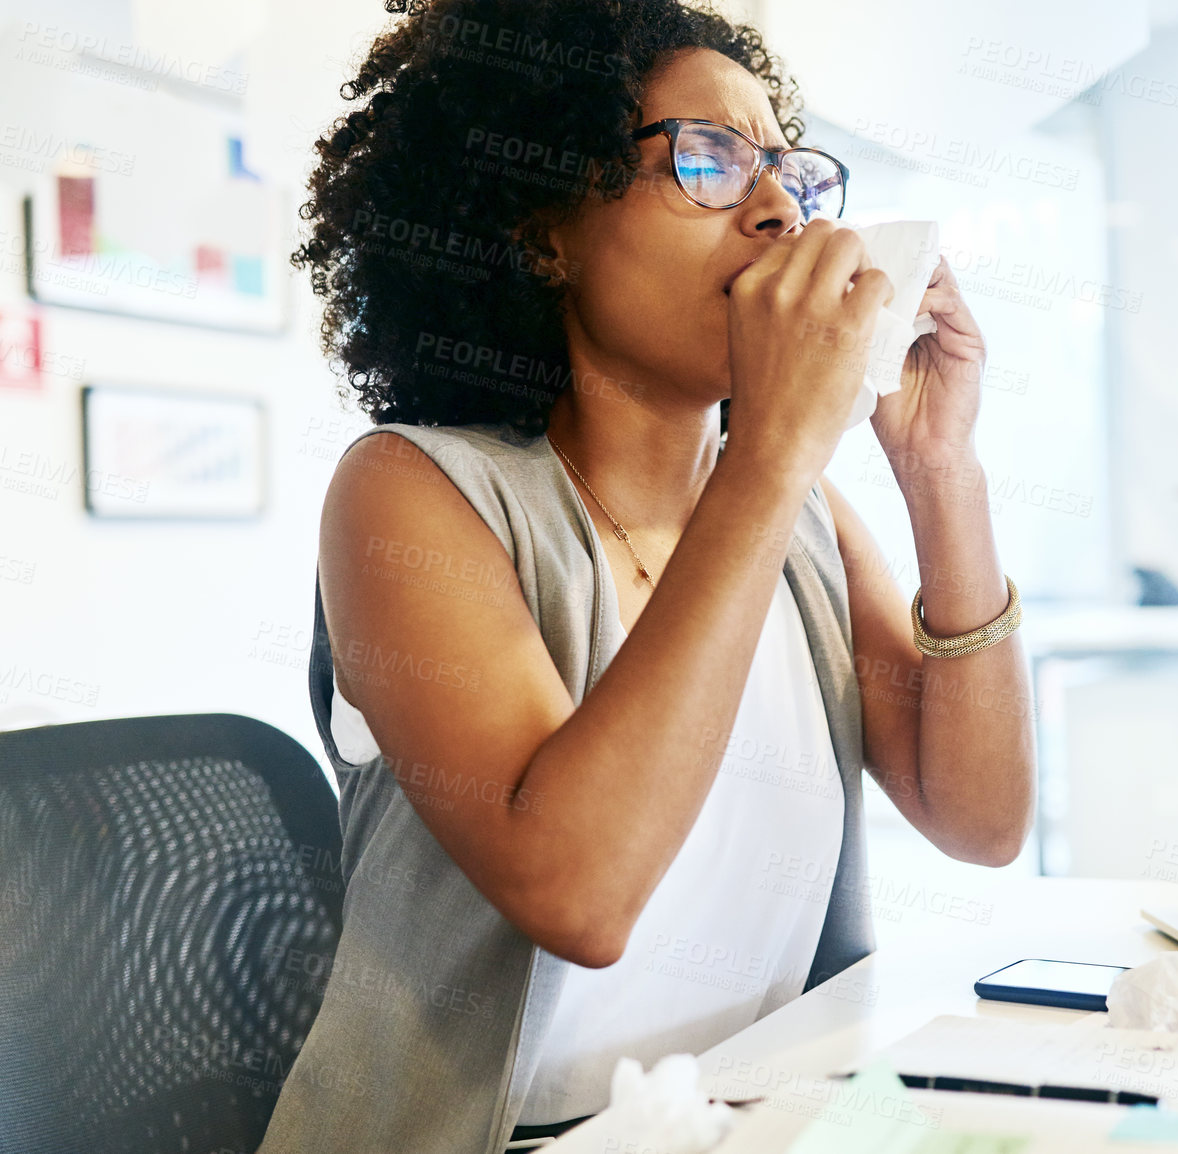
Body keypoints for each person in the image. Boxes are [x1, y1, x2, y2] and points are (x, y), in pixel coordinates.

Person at [262, 1, 1035, 1149]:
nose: (778, 207)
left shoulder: (804, 517)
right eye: (710, 161)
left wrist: (939, 469)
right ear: (544, 233)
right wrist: (771, 455)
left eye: (787, 169)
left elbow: (981, 818)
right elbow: (580, 893)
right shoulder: (413, 493)